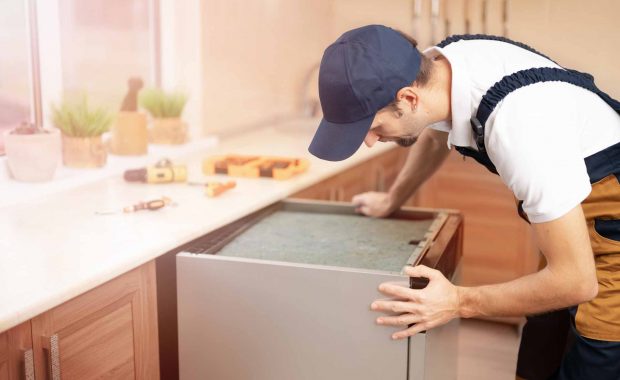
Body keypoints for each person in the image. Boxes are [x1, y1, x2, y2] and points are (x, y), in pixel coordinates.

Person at [308, 25, 620, 379]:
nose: (368, 142)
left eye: (374, 127)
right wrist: (393, 198)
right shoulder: (441, 66)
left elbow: (576, 281)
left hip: (612, 247)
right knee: (540, 353)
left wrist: (458, 302)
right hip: (578, 225)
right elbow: (430, 129)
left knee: (594, 360)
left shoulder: (520, 125)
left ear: (408, 98)